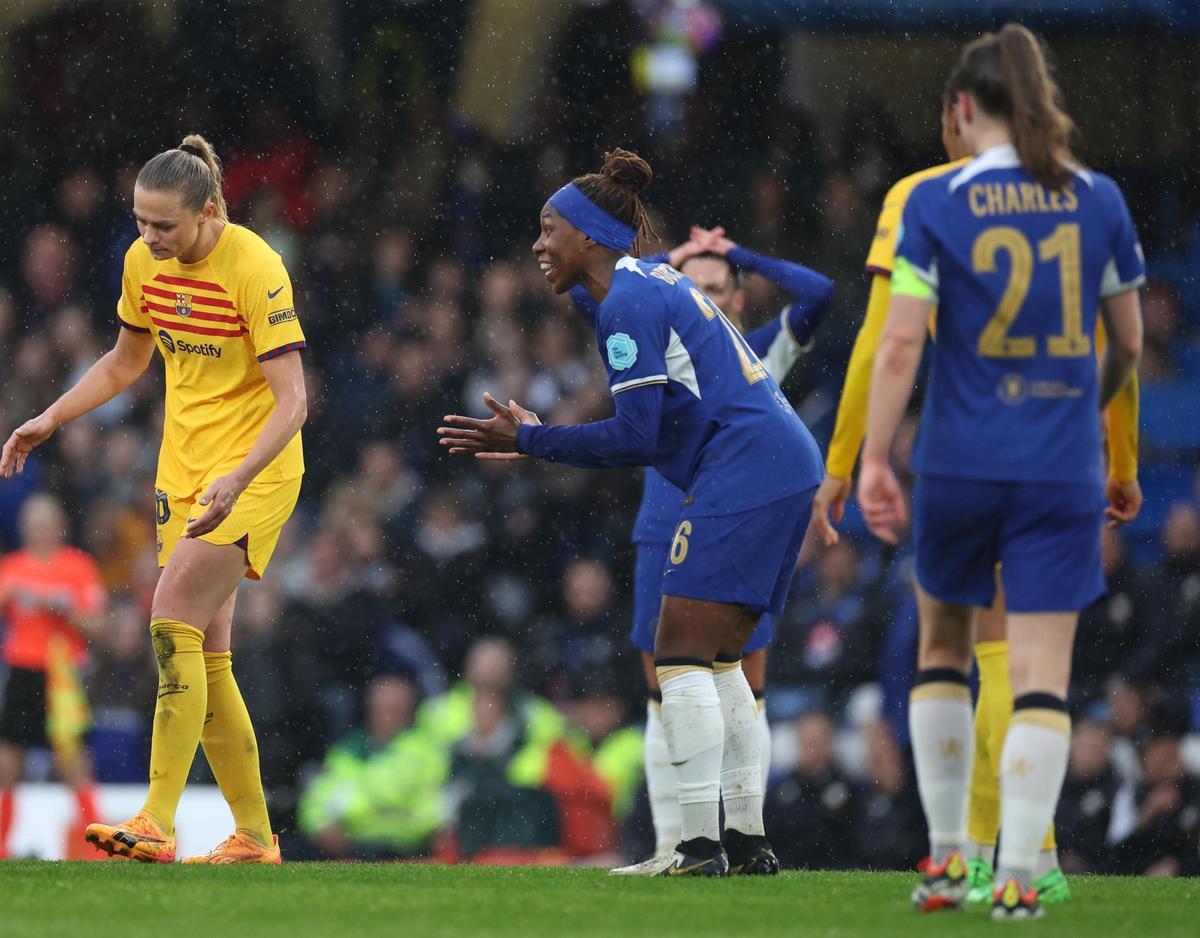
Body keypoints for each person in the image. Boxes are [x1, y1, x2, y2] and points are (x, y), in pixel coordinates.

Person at [811, 46, 1142, 911]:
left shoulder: (923, 197)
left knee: (953, 651)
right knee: (1032, 666)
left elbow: (888, 342)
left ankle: (957, 855)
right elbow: (1124, 347)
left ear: (961, 111)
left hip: (961, 456)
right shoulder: (1089, 196)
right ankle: (1030, 861)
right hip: (1058, 461)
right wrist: (1121, 454)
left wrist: (853, 458)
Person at [437, 149, 824, 877]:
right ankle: (745, 840)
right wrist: (537, 431)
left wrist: (529, 438)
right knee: (722, 661)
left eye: (548, 229)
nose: (537, 244)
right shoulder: (650, 281)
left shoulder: (629, 301)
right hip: (780, 461)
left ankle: (699, 846)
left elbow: (637, 436)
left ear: (586, 235)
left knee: (676, 649)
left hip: (742, 469)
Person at [0, 135, 308, 864]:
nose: (148, 236)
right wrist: (53, 416)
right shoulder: (146, 264)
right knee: (211, 652)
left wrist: (236, 480)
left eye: (163, 225)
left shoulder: (257, 267)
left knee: (170, 621)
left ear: (207, 212)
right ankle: (256, 836)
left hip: (255, 471)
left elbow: (293, 402)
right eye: (139, 221)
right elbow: (124, 361)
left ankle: (155, 821)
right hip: (185, 473)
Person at [569, 223, 832, 862]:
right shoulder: (664, 324)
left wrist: (738, 252)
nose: (703, 291)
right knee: (666, 686)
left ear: (738, 298)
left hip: (730, 514)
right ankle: (676, 843)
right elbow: (589, 289)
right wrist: (673, 261)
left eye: (718, 286)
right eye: (694, 284)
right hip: (663, 525)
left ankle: (728, 833)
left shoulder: (755, 350)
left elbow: (818, 293)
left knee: (734, 674)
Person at [0, 494, 106, 858]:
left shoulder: (77, 566)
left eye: (46, 522)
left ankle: (97, 845)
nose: (39, 530)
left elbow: (98, 623)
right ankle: (1, 845)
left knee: (72, 760)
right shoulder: (12, 567)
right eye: (33, 523)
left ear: (59, 526)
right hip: (23, 669)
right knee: (9, 761)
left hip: (63, 675)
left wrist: (62, 606)